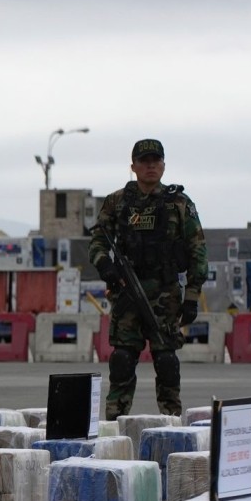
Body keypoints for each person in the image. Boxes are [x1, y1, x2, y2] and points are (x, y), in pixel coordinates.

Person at [89, 138, 207, 419]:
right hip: (127, 294)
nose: (150, 165)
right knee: (122, 359)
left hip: (165, 295)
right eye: (144, 161)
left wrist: (191, 296)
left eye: (156, 160)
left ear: (164, 165)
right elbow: (97, 242)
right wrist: (105, 266)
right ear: (133, 167)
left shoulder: (179, 203)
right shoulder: (117, 202)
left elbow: (197, 250)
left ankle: (171, 421)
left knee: (166, 361)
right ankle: (114, 424)